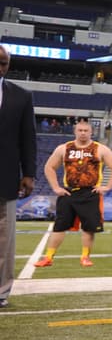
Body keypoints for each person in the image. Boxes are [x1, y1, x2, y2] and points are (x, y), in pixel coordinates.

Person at [34, 120, 112, 268]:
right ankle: (48, 257)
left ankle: (85, 257)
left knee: (88, 228)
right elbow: (49, 167)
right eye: (80, 130)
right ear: (75, 131)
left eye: (85, 130)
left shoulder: (100, 149)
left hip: (90, 193)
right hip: (68, 192)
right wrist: (55, 187)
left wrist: (107, 186)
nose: (82, 133)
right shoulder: (64, 148)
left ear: (91, 132)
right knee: (60, 226)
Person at [0, 45, 37, 307]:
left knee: (5, 239)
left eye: (3, 63)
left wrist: (30, 174)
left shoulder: (21, 96)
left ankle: (1, 291)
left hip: (7, 177)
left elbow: (28, 139)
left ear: (8, 65)